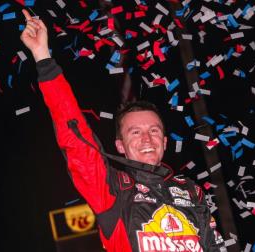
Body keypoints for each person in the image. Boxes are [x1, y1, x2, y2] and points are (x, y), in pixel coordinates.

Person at [20, 9, 225, 252]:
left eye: (154, 131)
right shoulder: (113, 188)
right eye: (135, 132)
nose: (147, 138)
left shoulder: (191, 190)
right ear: (120, 146)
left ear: (166, 141)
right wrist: (43, 57)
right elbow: (77, 141)